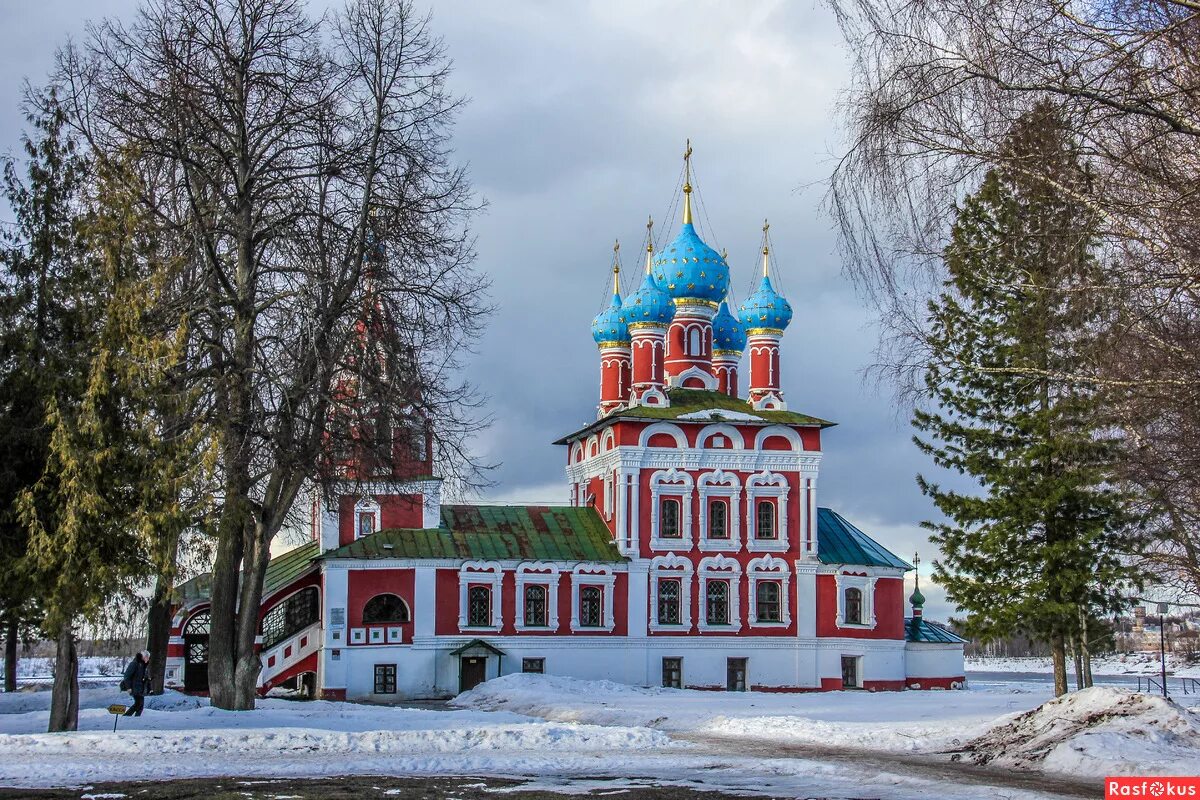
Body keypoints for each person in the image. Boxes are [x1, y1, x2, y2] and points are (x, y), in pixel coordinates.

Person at [122, 650, 151, 717]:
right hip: (134, 687)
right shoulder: (134, 663)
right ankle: (126, 716)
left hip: (140, 688)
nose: (148, 658)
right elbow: (127, 676)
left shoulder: (143, 665)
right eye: (147, 657)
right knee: (138, 703)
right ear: (143, 657)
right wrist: (128, 687)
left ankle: (137, 718)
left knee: (141, 705)